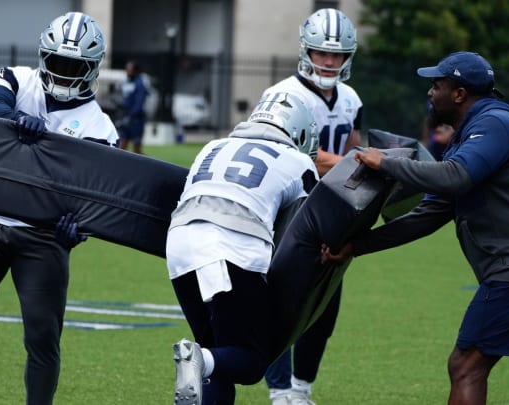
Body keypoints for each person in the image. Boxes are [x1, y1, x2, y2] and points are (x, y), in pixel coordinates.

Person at [322, 51, 509, 405]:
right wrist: (358, 245)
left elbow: (456, 176)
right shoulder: (468, 134)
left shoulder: (493, 122)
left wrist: (387, 163)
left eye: (436, 85)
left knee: (466, 365)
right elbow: (430, 214)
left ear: (459, 93)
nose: (429, 92)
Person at [0, 12, 118, 405]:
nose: (63, 74)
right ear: (44, 57)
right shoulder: (16, 77)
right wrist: (15, 120)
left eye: (74, 67)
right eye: (58, 63)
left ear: (92, 69)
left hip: (43, 239)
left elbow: (96, 202)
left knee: (42, 338)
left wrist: (78, 232)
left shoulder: (101, 128)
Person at [167, 92, 319, 405]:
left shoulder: (213, 146)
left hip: (180, 245)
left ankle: (201, 360)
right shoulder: (299, 161)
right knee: (249, 362)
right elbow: (312, 224)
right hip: (232, 247)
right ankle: (200, 359)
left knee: (218, 358)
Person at [260, 9, 362, 405]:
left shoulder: (351, 98)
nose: (329, 61)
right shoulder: (284, 95)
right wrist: (358, 163)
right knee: (283, 302)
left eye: (336, 55)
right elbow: (295, 152)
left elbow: (353, 144)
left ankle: (301, 390)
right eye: (321, 52)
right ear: (306, 51)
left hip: (331, 211)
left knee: (324, 306)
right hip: (288, 207)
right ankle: (280, 393)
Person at [117, 60, 149, 154]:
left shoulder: (140, 84)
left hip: (136, 120)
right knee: (122, 145)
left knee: (137, 148)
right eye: (127, 69)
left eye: (129, 69)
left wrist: (131, 115)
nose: (127, 71)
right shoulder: (127, 82)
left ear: (136, 71)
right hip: (125, 116)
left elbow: (139, 102)